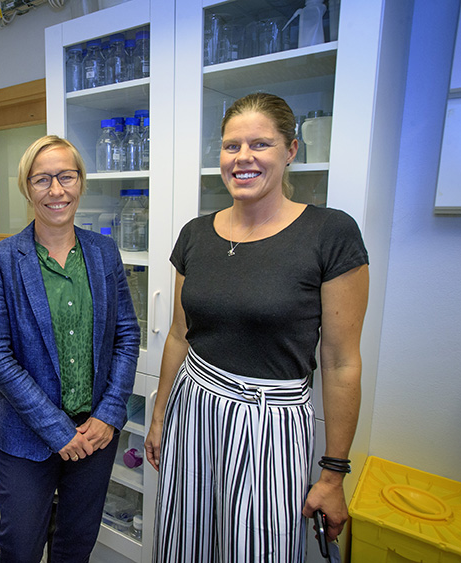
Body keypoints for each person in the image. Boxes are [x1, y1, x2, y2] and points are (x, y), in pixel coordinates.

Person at [145, 93, 369, 562]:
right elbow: (179, 335)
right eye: (231, 146)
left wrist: (332, 475)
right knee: (185, 544)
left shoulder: (330, 233)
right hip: (193, 406)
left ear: (290, 151)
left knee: (257, 549)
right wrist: (161, 415)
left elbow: (341, 360)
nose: (242, 158)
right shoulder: (195, 234)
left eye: (260, 144)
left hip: (271, 420)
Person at [0, 135, 140, 562]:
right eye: (42, 179)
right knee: (20, 545)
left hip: (95, 433)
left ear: (80, 183)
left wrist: (109, 413)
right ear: (26, 187)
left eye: (66, 177)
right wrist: (56, 430)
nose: (56, 190)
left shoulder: (104, 252)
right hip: (26, 436)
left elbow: (126, 333)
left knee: (76, 541)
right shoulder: (0, 260)